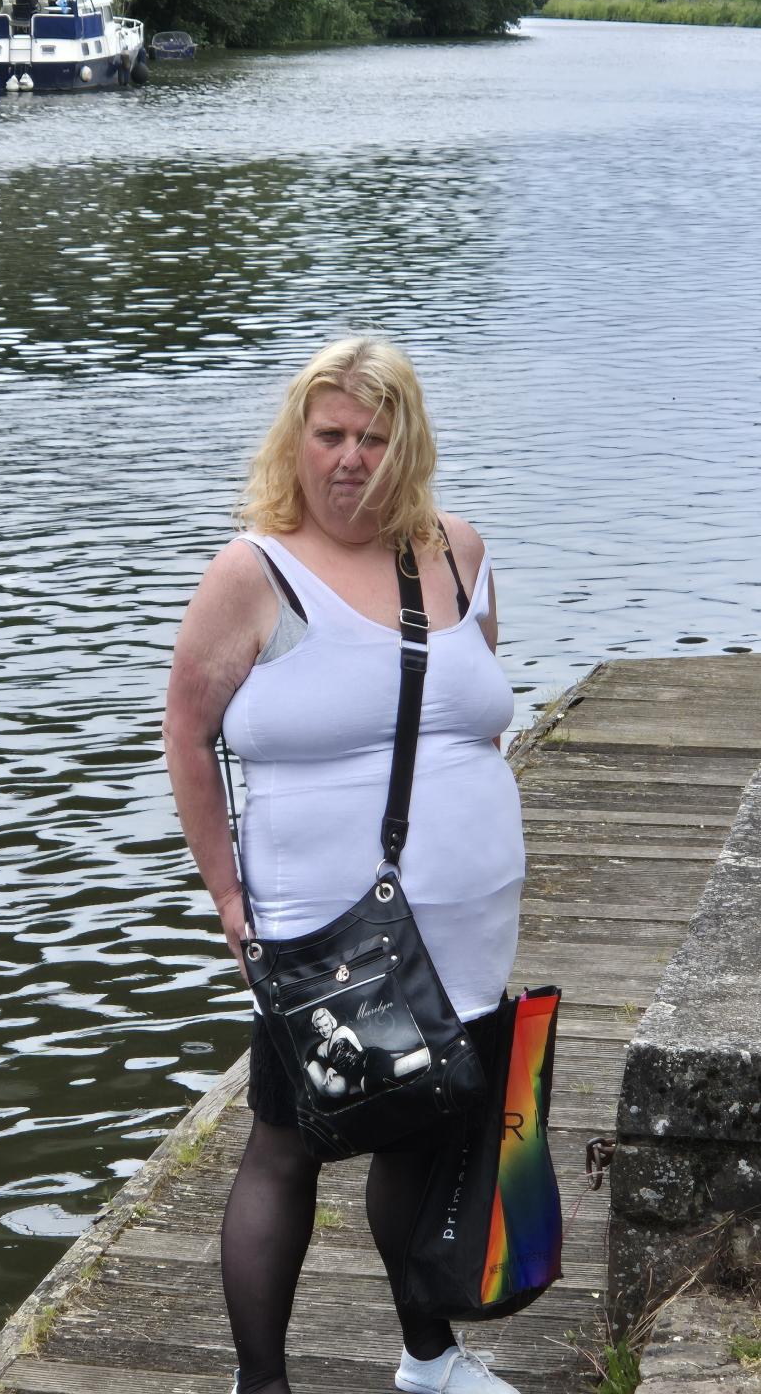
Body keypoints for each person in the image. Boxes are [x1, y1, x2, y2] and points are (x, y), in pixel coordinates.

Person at [163, 337, 526, 1394]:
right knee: (289, 1145)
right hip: (326, 931)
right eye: (330, 435)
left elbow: (472, 721)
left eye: (374, 436)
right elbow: (187, 735)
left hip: (462, 925)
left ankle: (430, 1362)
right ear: (298, 441)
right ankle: (263, 1384)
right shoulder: (255, 571)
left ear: (409, 445)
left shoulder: (458, 552)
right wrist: (227, 896)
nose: (351, 458)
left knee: (425, 1132)